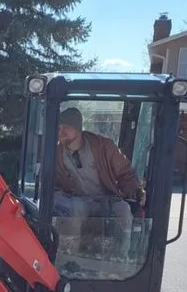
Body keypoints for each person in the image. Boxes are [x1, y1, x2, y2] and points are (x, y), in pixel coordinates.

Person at [53, 107, 145, 259]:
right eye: (59, 128)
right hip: (77, 200)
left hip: (106, 198)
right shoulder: (56, 153)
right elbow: (51, 182)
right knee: (75, 209)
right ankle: (69, 259)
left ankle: (120, 258)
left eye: (66, 128)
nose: (61, 132)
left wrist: (135, 190)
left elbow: (125, 172)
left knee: (123, 209)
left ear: (78, 128)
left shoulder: (104, 147)